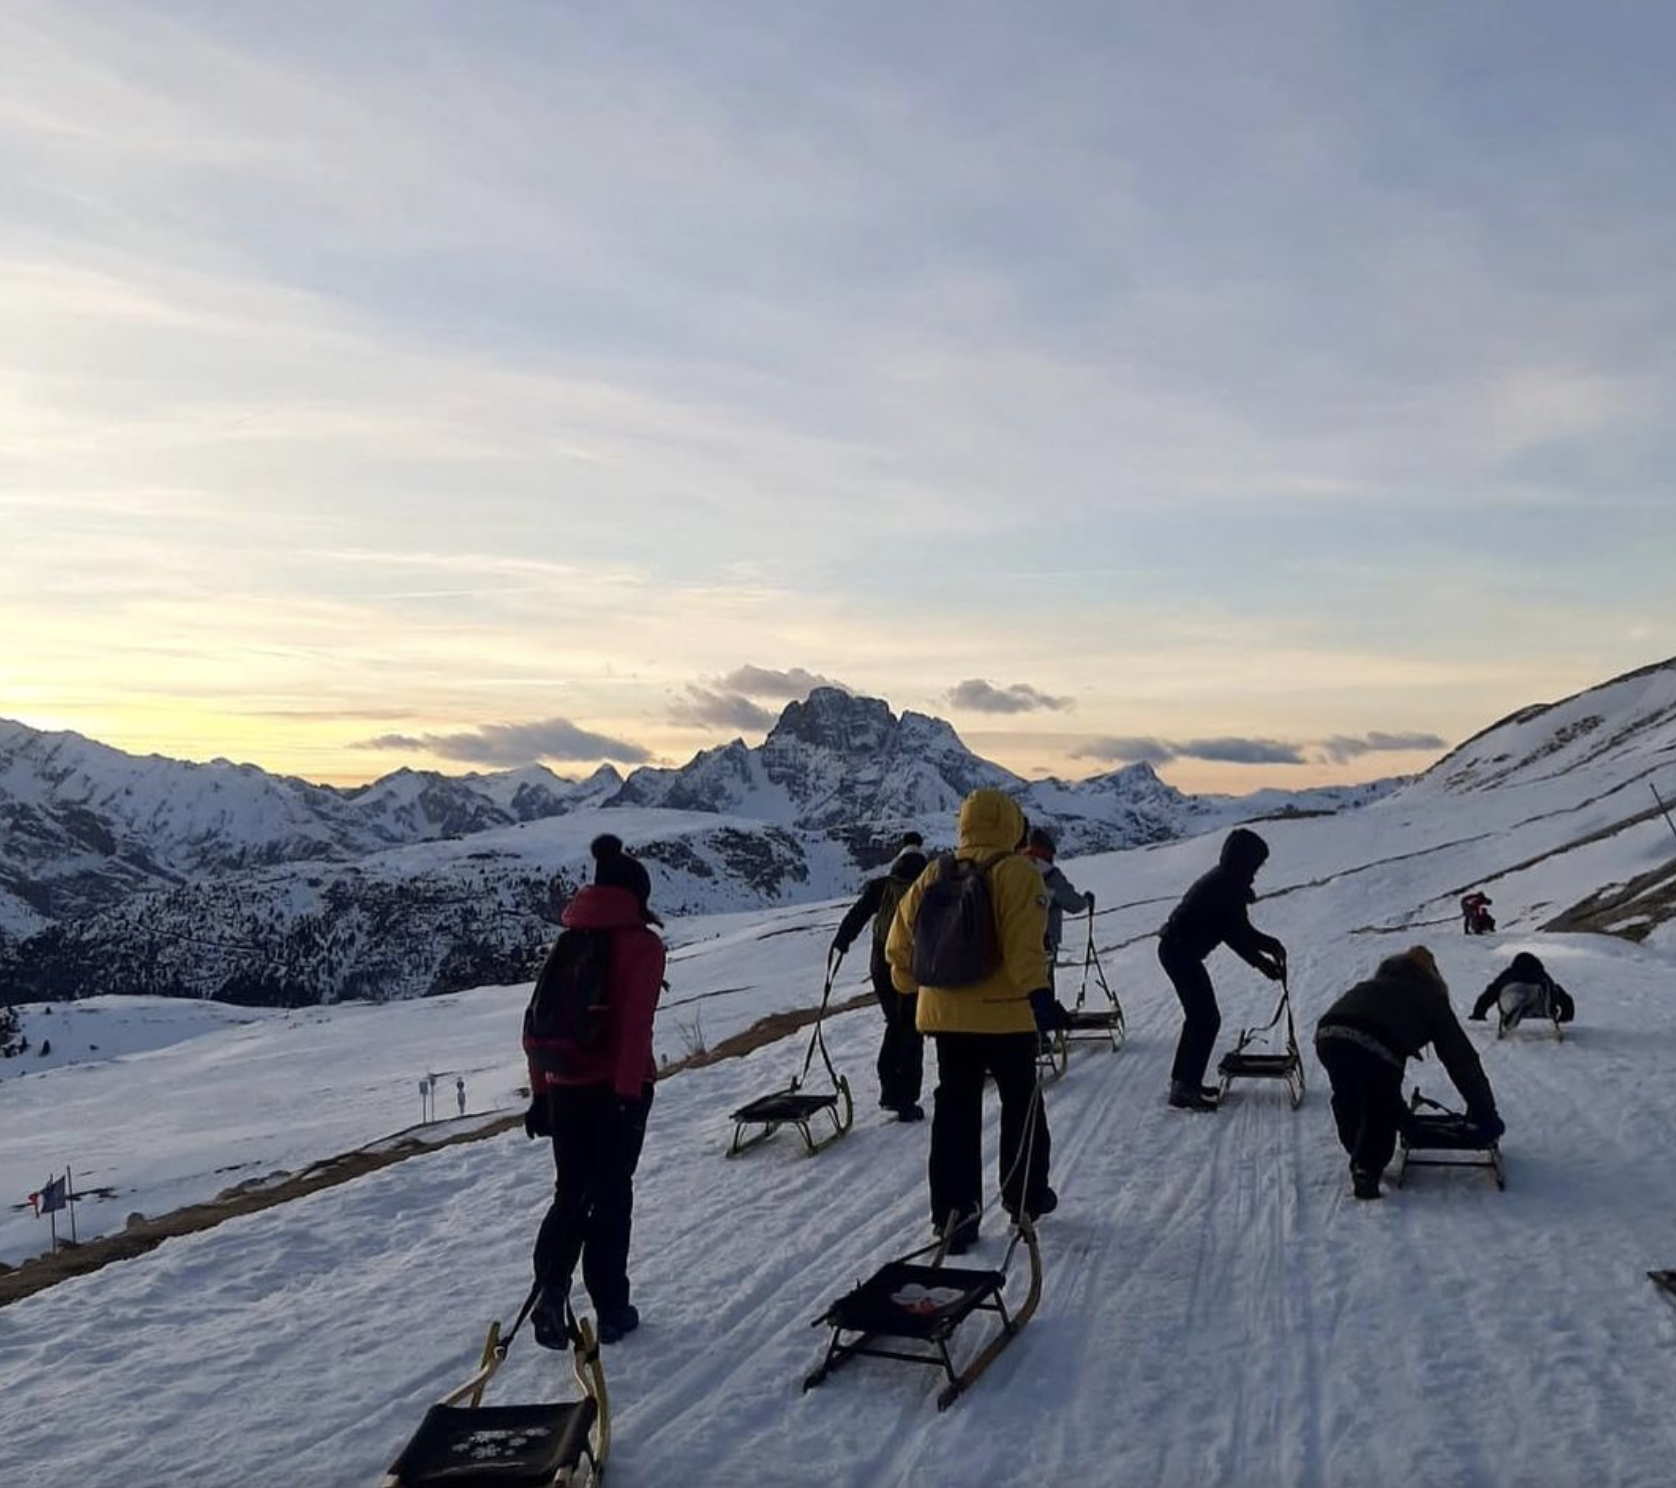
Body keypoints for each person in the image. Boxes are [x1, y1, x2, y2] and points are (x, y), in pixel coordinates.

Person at [886, 788, 1055, 1255]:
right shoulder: (1017, 871)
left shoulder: (935, 872)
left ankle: (954, 1216)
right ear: (1010, 825)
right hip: (1007, 1017)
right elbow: (1024, 947)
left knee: (955, 1112)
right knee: (1021, 1102)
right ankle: (1025, 1198)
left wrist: (911, 986)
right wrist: (1039, 994)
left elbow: (899, 944)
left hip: (946, 1016)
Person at [528, 834, 665, 1347]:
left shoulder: (571, 938)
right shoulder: (642, 946)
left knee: (570, 1191)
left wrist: (541, 1094)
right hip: (616, 1091)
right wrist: (627, 1100)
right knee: (611, 1196)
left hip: (564, 1088)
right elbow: (635, 1030)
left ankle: (551, 1291)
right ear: (636, 895)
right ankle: (611, 1309)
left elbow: (537, 1022)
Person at [1314, 946, 1502, 1200]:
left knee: (1347, 1094)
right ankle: (1366, 1167)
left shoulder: (1375, 985)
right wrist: (1484, 1111)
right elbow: (1461, 1059)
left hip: (1329, 1034)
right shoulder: (1431, 996)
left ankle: (1356, 1149)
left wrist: (1404, 1118)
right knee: (1380, 1104)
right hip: (1376, 1042)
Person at [1156, 828, 1287, 1111]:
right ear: (1245, 861)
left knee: (1200, 1018)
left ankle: (1183, 1084)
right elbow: (1238, 935)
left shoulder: (1225, 881)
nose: (1256, 873)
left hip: (1176, 950)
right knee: (1205, 1019)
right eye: (1255, 866)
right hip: (1180, 953)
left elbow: (1237, 931)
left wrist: (1269, 950)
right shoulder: (1227, 887)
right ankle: (1185, 1088)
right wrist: (1267, 957)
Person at [832, 839, 931, 1120]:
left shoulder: (882, 886)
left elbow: (858, 914)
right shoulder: (927, 886)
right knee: (912, 1029)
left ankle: (889, 1089)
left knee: (894, 1023)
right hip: (911, 965)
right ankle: (906, 1100)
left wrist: (842, 941)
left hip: (880, 963)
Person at [1021, 827, 1094, 1039]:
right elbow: (1073, 903)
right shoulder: (1051, 875)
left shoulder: (1014, 869)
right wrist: (1087, 901)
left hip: (1015, 940)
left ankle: (1022, 1033)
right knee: (1043, 987)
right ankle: (1041, 1036)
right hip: (1044, 941)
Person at [1470, 950, 1574, 1026]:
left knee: (1508, 993)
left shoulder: (1509, 973)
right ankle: (1546, 1005)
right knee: (1551, 989)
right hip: (1539, 1001)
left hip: (1512, 993)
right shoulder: (1542, 975)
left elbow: (1490, 993)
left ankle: (1517, 1005)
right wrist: (1566, 1015)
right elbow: (1563, 997)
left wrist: (1478, 1013)